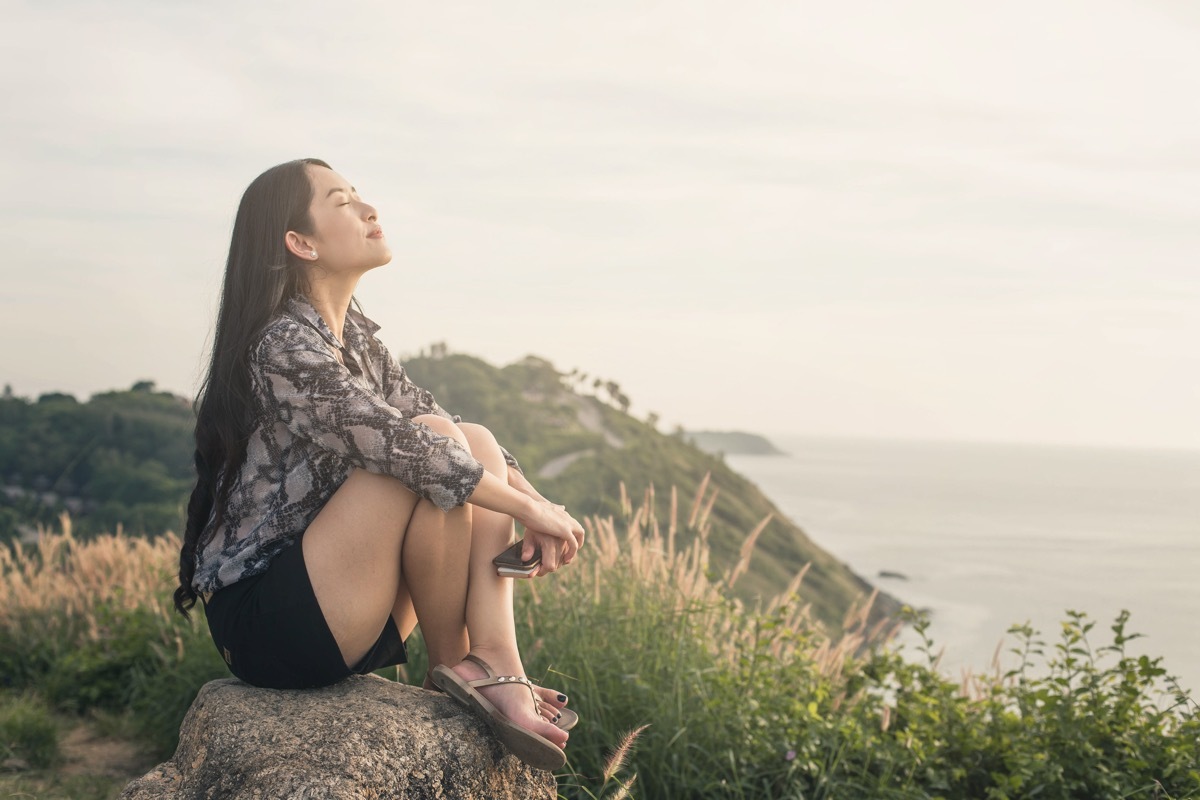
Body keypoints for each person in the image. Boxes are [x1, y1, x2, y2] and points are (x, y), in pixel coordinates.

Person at [173, 158, 586, 771]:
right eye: (343, 202)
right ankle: (473, 670)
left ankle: (484, 666)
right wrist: (530, 510)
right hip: (270, 623)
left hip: (347, 602)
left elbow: (462, 442)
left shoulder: (357, 341)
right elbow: (411, 448)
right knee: (434, 442)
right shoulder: (279, 344)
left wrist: (541, 503)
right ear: (300, 242)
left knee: (467, 434)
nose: (369, 210)